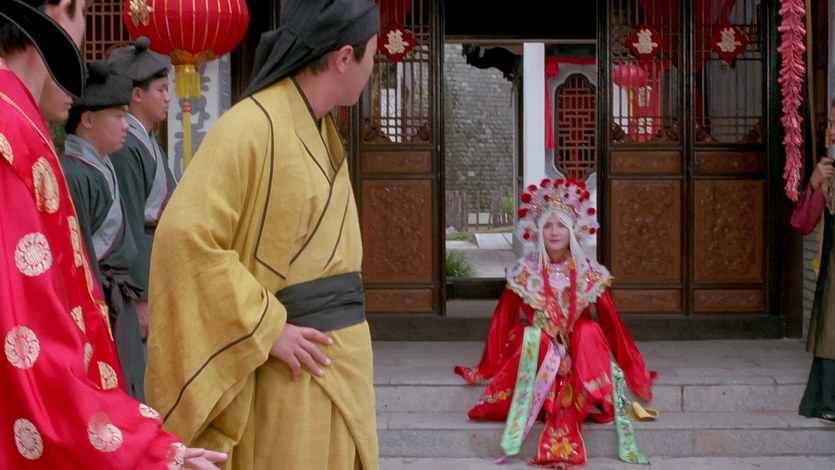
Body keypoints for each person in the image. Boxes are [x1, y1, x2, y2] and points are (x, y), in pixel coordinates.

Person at [144, 0, 381, 468]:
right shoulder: (251, 126)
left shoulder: (319, 129)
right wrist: (265, 326)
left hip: (341, 359)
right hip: (290, 371)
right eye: (372, 55)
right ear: (344, 58)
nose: (373, 67)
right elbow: (184, 236)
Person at [0, 1, 225, 467]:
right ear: (60, 11)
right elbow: (27, 335)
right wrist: (143, 448)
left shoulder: (19, 120)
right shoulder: (11, 131)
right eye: (82, 10)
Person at [454, 177, 657, 468]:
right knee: (531, 336)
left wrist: (631, 366)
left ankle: (585, 393)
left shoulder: (589, 273)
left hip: (579, 354)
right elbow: (502, 320)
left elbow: (612, 325)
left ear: (573, 230)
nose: (553, 232)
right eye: (547, 225)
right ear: (537, 231)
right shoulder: (524, 273)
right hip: (541, 352)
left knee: (589, 329)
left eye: (561, 225)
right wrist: (487, 366)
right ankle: (541, 394)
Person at [59, 60, 148, 401]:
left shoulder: (101, 165)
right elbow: (78, 254)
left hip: (116, 297)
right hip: (99, 300)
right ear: (88, 119)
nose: (126, 125)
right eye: (118, 115)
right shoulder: (75, 174)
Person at [106, 36, 176, 340]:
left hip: (157, 259)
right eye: (161, 90)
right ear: (137, 94)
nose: (168, 98)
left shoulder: (145, 141)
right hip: (142, 270)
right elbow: (130, 222)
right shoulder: (126, 148)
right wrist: (141, 295)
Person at [790, 99, 835, 426]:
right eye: (830, 123)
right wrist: (816, 183)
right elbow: (804, 223)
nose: (832, 130)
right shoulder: (827, 170)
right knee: (831, 331)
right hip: (834, 265)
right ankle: (829, 401)